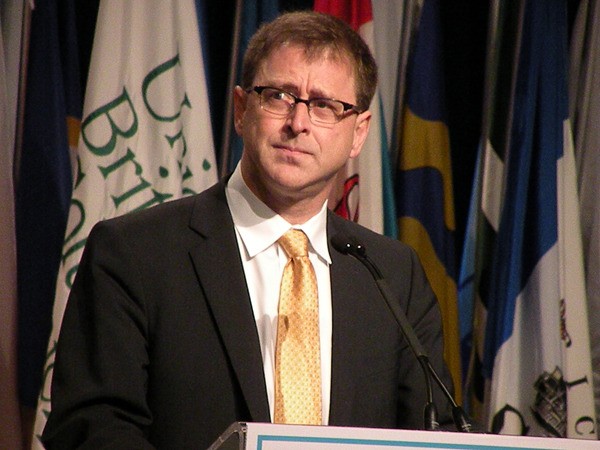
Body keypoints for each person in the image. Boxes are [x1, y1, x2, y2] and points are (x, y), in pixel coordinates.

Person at [42, 10, 454, 449]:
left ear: (358, 133)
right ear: (242, 109)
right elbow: (89, 428)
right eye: (279, 96)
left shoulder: (394, 276)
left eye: (324, 106)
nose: (298, 124)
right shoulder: (134, 253)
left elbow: (434, 433)